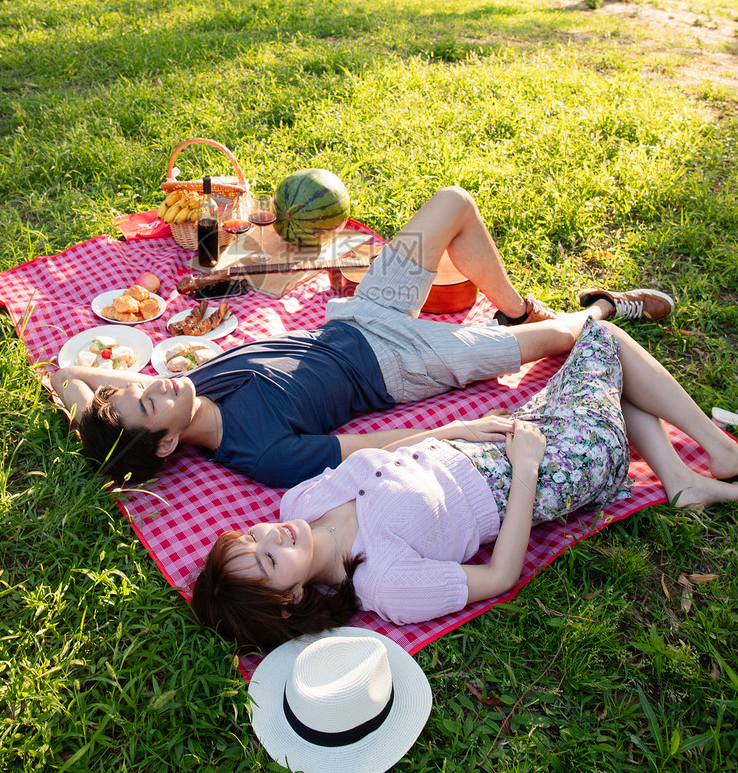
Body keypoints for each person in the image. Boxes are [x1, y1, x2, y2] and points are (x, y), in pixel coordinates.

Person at [53, 186, 673, 489]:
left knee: (453, 202)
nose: (153, 383)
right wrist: (453, 431)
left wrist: (96, 422)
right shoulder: (262, 455)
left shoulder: (187, 385)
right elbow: (371, 446)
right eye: (149, 401)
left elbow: (65, 375)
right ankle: (608, 308)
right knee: (556, 340)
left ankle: (512, 308)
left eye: (141, 389)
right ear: (166, 446)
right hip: (400, 364)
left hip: (355, 316)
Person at [190, 318, 738, 652]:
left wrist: (450, 430)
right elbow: (499, 576)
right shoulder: (383, 583)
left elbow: (385, 455)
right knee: (606, 342)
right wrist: (526, 467)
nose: (271, 540)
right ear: (288, 602)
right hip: (554, 468)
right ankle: (716, 452)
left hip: (492, 441)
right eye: (266, 563)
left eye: (251, 539)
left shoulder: (300, 501)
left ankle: (682, 481)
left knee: (607, 379)